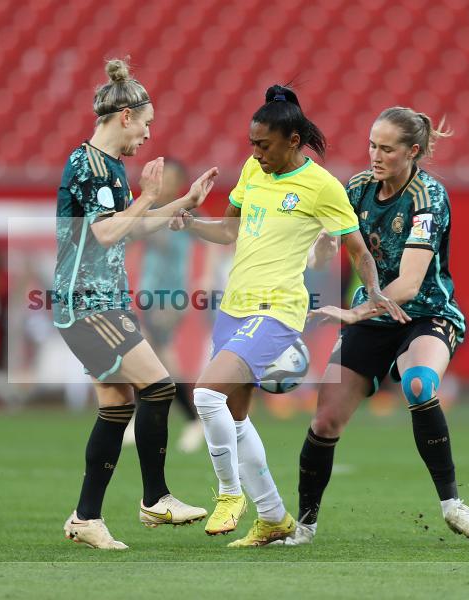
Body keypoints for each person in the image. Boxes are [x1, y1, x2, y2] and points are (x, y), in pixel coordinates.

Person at [169, 85, 406, 547]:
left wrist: (373, 292)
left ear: (293, 140)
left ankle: (228, 493)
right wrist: (193, 222)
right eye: (252, 145)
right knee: (234, 420)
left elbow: (356, 250)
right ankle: (275, 518)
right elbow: (230, 230)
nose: (256, 154)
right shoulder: (252, 172)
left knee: (205, 396)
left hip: (278, 310)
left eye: (265, 145)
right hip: (233, 307)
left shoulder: (322, 186)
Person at [289, 106, 469, 546]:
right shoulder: (357, 188)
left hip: (427, 313)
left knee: (419, 384)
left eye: (386, 148)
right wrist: (319, 253)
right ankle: (303, 526)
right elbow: (328, 246)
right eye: (371, 145)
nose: (375, 155)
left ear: (412, 151)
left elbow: (411, 282)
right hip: (375, 317)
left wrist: (358, 311)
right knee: (325, 422)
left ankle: (452, 505)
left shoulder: (428, 197)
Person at [54, 59, 218, 550]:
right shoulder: (86, 163)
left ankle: (86, 518)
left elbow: (132, 226)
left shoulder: (111, 169)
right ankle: (155, 497)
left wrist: (181, 203)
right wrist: (147, 198)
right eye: (146, 123)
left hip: (105, 301)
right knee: (160, 385)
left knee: (117, 404)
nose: (148, 135)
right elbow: (104, 233)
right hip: (87, 302)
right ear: (125, 115)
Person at [123, 159, 204, 453]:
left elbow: (211, 244)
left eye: (172, 178)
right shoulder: (148, 211)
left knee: (155, 354)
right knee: (158, 359)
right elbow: (128, 239)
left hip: (173, 296)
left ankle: (189, 419)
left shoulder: (188, 212)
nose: (166, 183)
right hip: (148, 293)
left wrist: (204, 277)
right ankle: (189, 419)